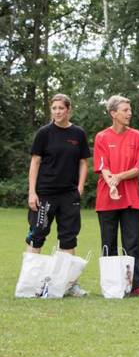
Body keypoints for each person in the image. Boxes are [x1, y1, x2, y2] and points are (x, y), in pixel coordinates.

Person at [25, 94, 91, 297]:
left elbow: (83, 163)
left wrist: (79, 188)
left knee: (69, 238)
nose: (57, 112)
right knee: (37, 235)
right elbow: (35, 162)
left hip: (68, 195)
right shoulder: (44, 133)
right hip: (44, 194)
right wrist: (32, 192)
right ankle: (30, 284)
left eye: (61, 108)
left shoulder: (78, 134)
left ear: (68, 110)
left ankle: (68, 285)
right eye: (53, 108)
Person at [93, 95, 139, 296]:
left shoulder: (136, 135)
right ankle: (112, 286)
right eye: (125, 110)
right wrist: (112, 182)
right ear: (113, 113)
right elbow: (103, 167)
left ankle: (137, 285)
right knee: (108, 243)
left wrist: (118, 178)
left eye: (130, 110)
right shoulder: (102, 137)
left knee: (132, 243)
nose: (129, 113)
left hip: (130, 198)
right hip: (106, 199)